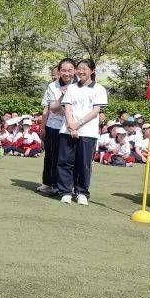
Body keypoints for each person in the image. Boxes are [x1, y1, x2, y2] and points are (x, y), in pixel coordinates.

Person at [55, 59, 108, 205]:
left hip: (88, 132)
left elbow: (96, 110)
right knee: (64, 162)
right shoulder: (71, 88)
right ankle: (65, 191)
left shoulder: (99, 89)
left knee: (83, 164)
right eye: (79, 68)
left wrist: (77, 124)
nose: (81, 71)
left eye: (85, 68)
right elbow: (67, 108)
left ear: (92, 71)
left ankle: (81, 192)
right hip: (67, 130)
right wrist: (71, 126)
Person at [38, 59, 76, 194]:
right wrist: (43, 126)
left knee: (67, 158)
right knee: (50, 156)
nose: (66, 73)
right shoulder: (52, 86)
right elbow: (50, 109)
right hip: (53, 125)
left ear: (75, 70)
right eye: (64, 70)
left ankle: (64, 186)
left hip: (72, 127)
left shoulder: (79, 85)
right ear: (59, 71)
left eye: (69, 70)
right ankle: (48, 183)